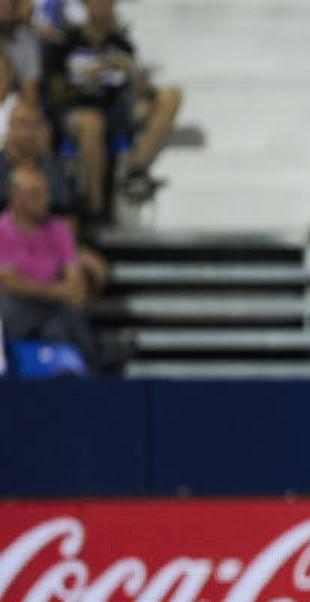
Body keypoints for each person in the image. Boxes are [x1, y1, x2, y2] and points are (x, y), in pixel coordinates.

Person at [44, 0, 183, 215]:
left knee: (171, 96)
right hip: (75, 111)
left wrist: (132, 75)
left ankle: (134, 171)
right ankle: (95, 207)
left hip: (115, 110)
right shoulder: (66, 42)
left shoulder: (121, 44)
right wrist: (84, 82)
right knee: (92, 122)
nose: (104, 6)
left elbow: (145, 94)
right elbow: (54, 93)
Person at [0, 164, 95, 367]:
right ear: (17, 197)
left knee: (63, 324)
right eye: (36, 194)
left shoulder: (60, 229)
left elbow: (74, 278)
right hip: (14, 306)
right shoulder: (2, 230)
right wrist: (59, 292)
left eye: (45, 193)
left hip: (52, 306)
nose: (45, 201)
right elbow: (10, 282)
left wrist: (64, 292)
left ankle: (83, 377)